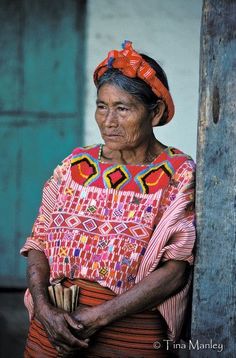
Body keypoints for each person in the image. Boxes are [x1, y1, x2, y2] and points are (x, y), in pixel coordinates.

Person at [21, 40, 196, 357]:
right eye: (102, 106)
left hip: (130, 331)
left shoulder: (177, 173)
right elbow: (38, 242)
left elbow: (176, 269)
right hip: (55, 324)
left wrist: (98, 316)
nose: (108, 121)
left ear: (154, 112)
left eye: (122, 108)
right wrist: (44, 309)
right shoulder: (74, 166)